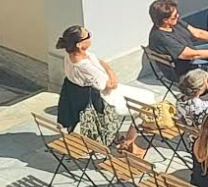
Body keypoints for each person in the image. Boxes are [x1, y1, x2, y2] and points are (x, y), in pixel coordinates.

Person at [57, 25, 151, 155]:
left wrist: (108, 70)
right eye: (88, 35)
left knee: (145, 97)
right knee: (146, 105)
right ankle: (128, 143)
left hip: (91, 95)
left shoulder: (72, 56)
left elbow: (101, 63)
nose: (90, 36)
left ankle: (118, 138)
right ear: (79, 44)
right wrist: (110, 71)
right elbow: (110, 85)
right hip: (104, 100)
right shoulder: (84, 67)